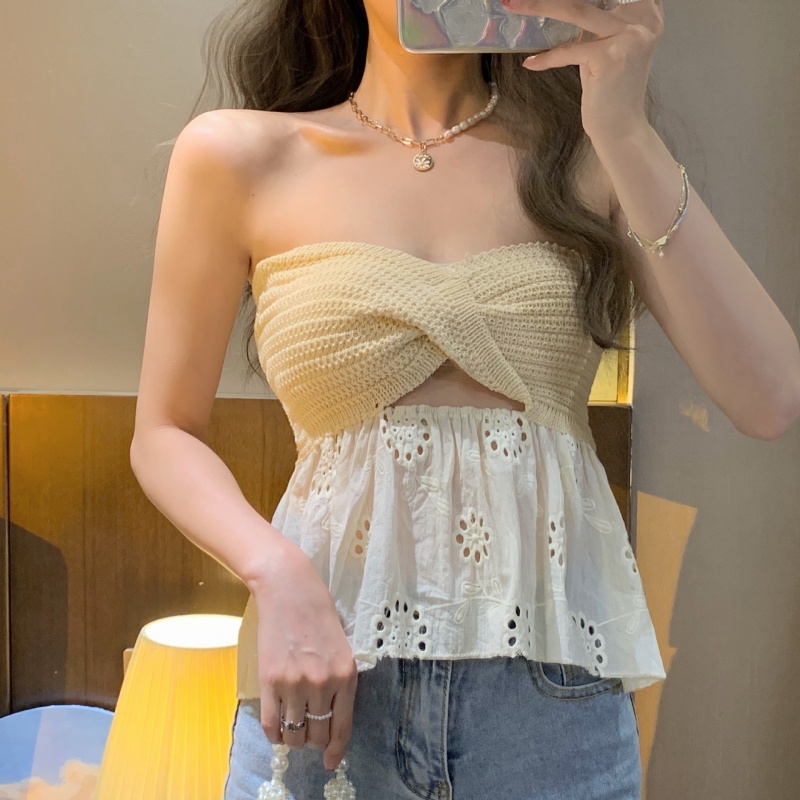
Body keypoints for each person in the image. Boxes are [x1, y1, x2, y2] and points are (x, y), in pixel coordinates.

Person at [129, 0, 800, 798]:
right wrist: (276, 571)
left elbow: (768, 396)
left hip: (550, 709)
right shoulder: (242, 155)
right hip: (324, 680)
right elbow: (164, 432)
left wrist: (625, 131)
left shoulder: (589, 158)